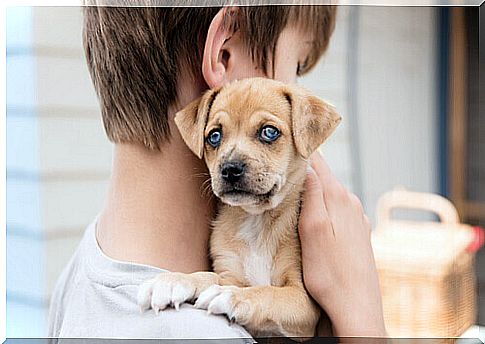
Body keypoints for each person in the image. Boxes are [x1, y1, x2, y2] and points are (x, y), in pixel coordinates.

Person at [47, 3, 386, 339]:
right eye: (296, 65)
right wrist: (362, 314)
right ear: (224, 55)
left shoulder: (81, 271)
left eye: (267, 132)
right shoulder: (202, 333)